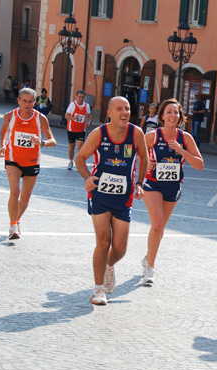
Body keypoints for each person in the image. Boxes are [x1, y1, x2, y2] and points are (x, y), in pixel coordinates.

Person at [74, 96, 148, 305]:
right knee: (103, 241)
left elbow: (144, 157)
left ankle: (108, 265)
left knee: (120, 248)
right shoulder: (99, 133)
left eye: (127, 109)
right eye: (119, 109)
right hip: (99, 195)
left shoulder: (136, 133)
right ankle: (98, 290)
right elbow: (80, 158)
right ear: (109, 113)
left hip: (124, 197)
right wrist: (87, 177)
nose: (124, 113)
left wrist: (140, 183)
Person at [142, 98, 204, 284]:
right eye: (169, 112)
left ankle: (147, 258)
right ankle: (149, 268)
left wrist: (181, 150)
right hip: (152, 183)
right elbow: (135, 150)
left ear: (180, 116)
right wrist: (147, 161)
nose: (173, 115)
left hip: (173, 186)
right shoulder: (153, 135)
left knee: (160, 229)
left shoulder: (185, 138)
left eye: (176, 112)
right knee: (158, 224)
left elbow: (199, 165)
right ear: (162, 115)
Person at [0, 88, 57, 239]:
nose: (27, 104)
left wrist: (41, 142)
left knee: (25, 198)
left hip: (32, 161)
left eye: (30, 101)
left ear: (34, 103)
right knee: (15, 191)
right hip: (13, 159)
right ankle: (12, 227)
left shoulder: (40, 118)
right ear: (18, 101)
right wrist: (2, 145)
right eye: (24, 101)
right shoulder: (9, 116)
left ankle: (17, 220)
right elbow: (3, 131)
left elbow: (53, 141)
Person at [65, 89, 91, 170]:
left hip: (81, 130)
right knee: (72, 146)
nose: (81, 99)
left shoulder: (86, 106)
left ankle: (78, 163)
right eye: (79, 97)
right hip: (71, 129)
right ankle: (70, 161)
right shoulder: (72, 105)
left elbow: (89, 114)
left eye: (82, 97)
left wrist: (89, 122)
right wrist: (74, 118)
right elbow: (66, 116)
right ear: (76, 96)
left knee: (80, 146)